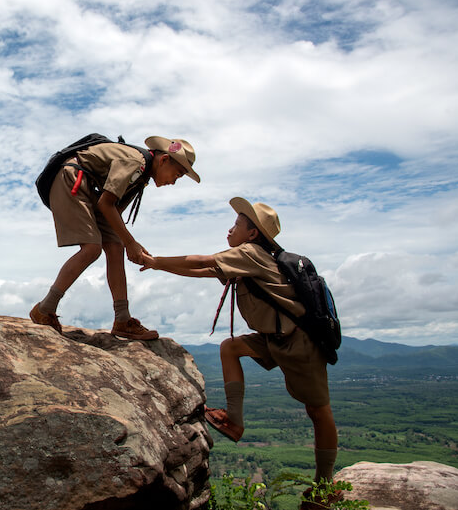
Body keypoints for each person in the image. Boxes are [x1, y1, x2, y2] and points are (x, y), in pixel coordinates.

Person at [139, 198, 341, 508]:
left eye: (237, 225)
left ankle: (325, 487)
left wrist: (156, 262)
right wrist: (162, 264)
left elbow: (201, 262)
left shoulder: (251, 254)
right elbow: (205, 269)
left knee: (318, 411)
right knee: (230, 347)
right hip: (274, 337)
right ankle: (235, 420)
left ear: (252, 234)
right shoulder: (248, 256)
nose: (229, 229)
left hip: (299, 342)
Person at [30, 136, 200, 340]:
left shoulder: (142, 174)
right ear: (163, 160)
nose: (174, 181)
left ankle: (122, 319)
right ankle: (45, 309)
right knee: (92, 249)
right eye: (178, 174)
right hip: (72, 178)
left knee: (115, 246)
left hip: (89, 186)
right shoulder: (136, 162)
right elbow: (106, 204)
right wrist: (131, 242)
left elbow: (113, 211)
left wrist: (130, 243)